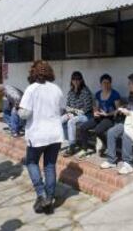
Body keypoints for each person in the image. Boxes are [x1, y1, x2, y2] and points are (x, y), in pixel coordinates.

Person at [18, 60, 65, 214]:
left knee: (31, 162)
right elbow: (61, 110)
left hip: (37, 134)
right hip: (55, 133)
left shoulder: (31, 89)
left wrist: (17, 108)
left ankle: (41, 193)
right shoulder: (57, 89)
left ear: (33, 72)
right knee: (50, 165)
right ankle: (50, 197)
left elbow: (24, 114)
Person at [101, 72, 133, 175]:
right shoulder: (132, 94)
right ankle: (111, 160)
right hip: (129, 122)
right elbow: (130, 107)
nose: (128, 85)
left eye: (130, 83)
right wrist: (122, 109)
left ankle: (128, 164)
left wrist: (129, 113)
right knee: (111, 132)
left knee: (126, 135)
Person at [78, 74, 121, 158]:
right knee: (83, 127)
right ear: (100, 84)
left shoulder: (115, 94)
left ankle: (107, 145)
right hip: (100, 117)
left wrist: (107, 114)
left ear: (110, 83)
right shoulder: (98, 94)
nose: (106, 85)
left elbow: (118, 110)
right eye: (104, 83)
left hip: (110, 118)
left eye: (108, 83)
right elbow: (95, 106)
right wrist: (95, 112)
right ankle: (84, 149)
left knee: (98, 130)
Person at [62, 71, 93, 157]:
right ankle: (59, 141)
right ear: (71, 80)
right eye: (74, 79)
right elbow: (67, 106)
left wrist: (73, 111)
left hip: (86, 116)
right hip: (74, 113)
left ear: (81, 80)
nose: (76, 81)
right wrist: (70, 112)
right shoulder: (71, 92)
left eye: (78, 79)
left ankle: (72, 145)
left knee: (71, 121)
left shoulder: (85, 91)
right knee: (61, 119)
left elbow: (86, 109)